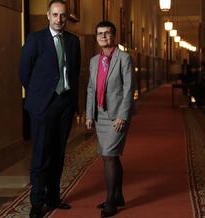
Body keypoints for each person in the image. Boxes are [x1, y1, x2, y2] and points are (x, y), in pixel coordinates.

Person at [19, 0, 80, 217]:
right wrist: (39, 96)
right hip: (43, 106)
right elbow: (24, 73)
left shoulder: (73, 42)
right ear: (48, 16)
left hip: (65, 104)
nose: (59, 19)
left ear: (67, 16)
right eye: (55, 15)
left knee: (58, 153)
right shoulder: (35, 39)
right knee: (41, 155)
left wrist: (74, 104)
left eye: (63, 15)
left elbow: (75, 73)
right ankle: (37, 202)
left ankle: (54, 197)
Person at [85, 21, 133, 217]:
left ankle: (110, 201)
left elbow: (129, 89)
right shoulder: (94, 61)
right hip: (100, 115)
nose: (103, 37)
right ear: (96, 38)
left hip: (116, 115)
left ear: (114, 36)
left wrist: (123, 115)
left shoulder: (124, 58)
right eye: (99, 34)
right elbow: (90, 88)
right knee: (110, 156)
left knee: (109, 156)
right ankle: (118, 195)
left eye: (107, 33)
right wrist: (89, 114)